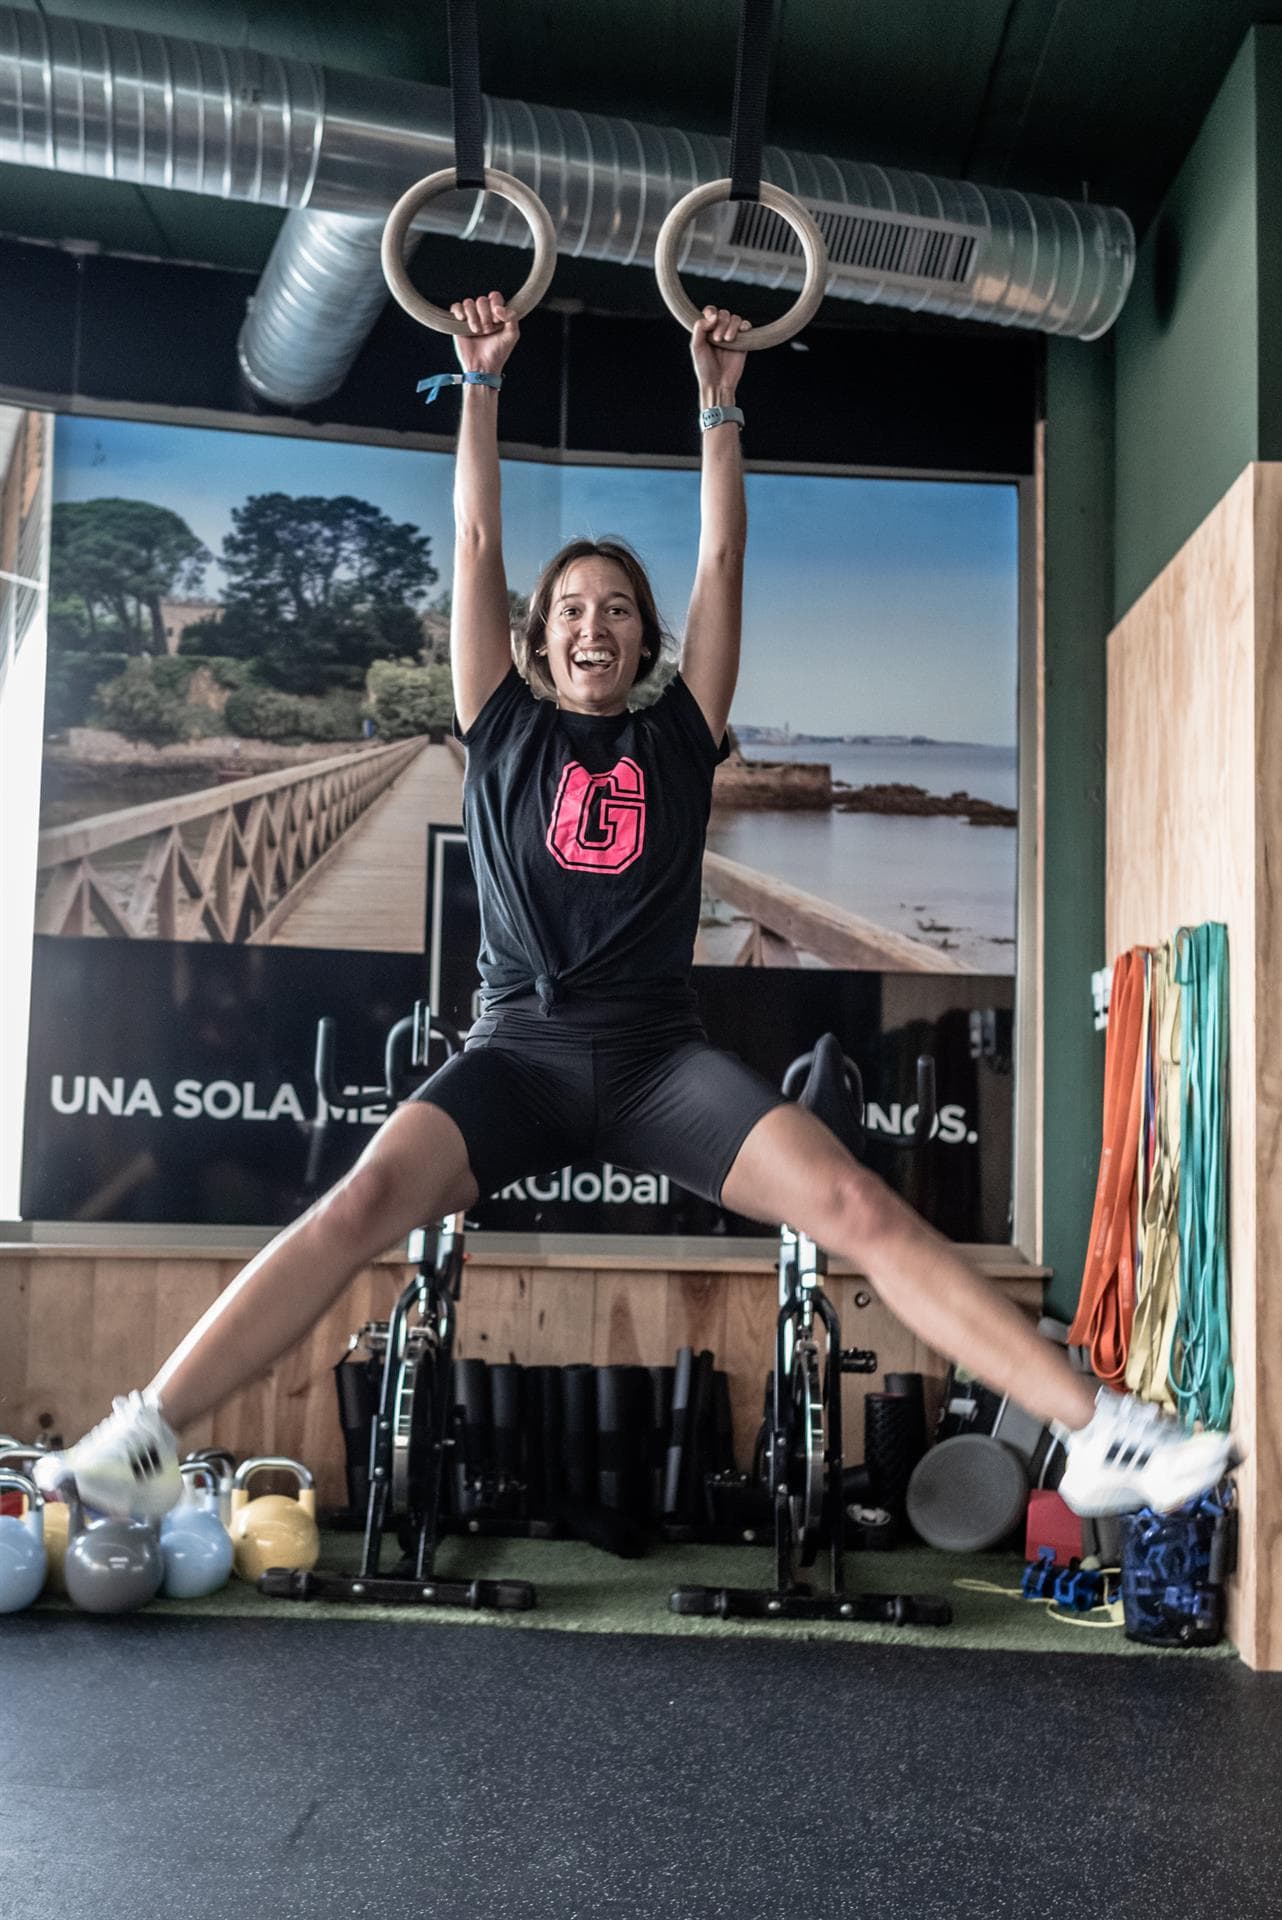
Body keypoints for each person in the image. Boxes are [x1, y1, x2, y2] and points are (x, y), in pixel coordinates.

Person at [38, 295, 1234, 1527]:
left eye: (614, 608)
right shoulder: (496, 724)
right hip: (518, 1052)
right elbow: (475, 536)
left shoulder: (680, 734)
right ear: (539, 643)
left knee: (856, 1206)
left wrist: (719, 397)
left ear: (644, 639)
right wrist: (482, 383)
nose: (591, 622)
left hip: (660, 1058)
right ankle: (149, 1435)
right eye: (570, 610)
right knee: (354, 1205)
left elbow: (722, 560)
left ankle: (1105, 1436)